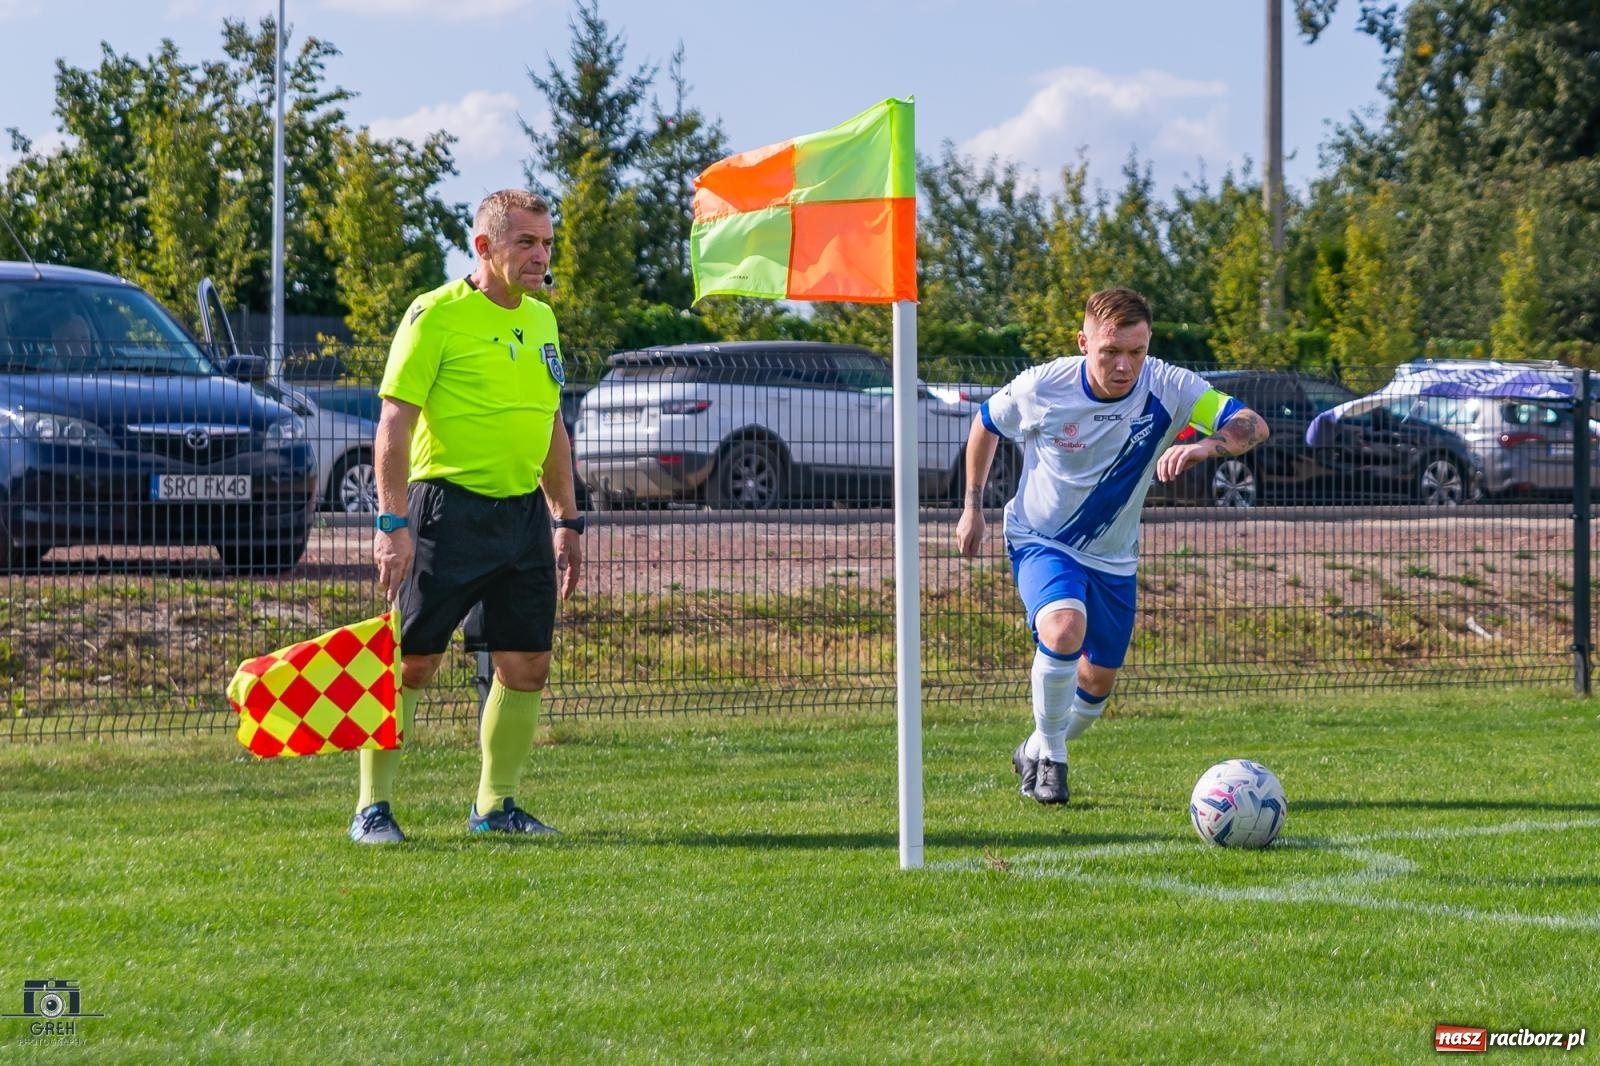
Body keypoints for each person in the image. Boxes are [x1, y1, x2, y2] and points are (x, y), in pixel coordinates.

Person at [956, 287, 1268, 805]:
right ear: (1084, 342)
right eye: (1110, 352)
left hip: (1115, 556)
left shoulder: (1170, 385)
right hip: (1041, 538)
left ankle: (1035, 744)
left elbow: (1252, 424)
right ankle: (1052, 762)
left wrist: (1206, 446)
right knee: (1063, 627)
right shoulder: (1043, 387)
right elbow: (985, 424)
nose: (1125, 365)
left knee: (1097, 683)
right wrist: (972, 506)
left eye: (1136, 352)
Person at [350, 188, 585, 844]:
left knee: (527, 664)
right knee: (411, 663)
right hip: (442, 515)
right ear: (484, 247)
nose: (541, 255)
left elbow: (551, 426)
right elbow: (394, 423)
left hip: (520, 521)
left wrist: (566, 520)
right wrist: (391, 524)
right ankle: (373, 808)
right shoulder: (432, 316)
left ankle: (495, 806)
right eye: (526, 243)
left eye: (546, 243)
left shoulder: (541, 320)